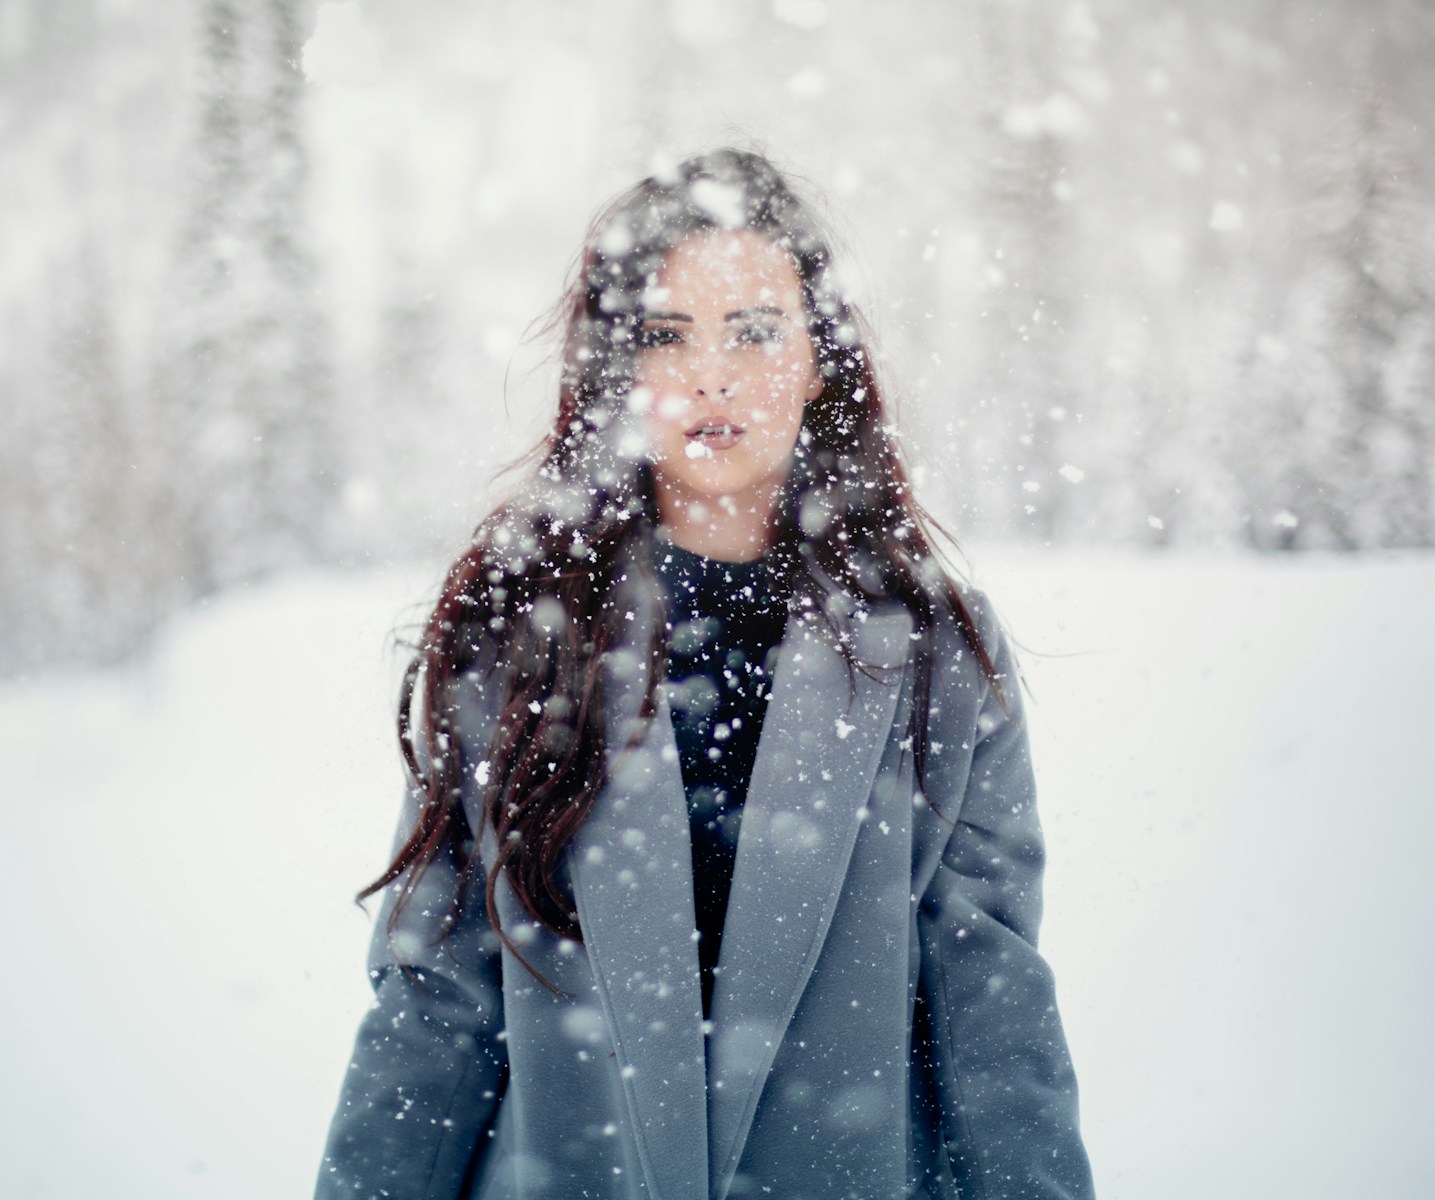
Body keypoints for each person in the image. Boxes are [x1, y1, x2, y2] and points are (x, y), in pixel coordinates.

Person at [315, 148, 1095, 1200]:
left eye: (754, 330)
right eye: (663, 335)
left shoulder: (930, 648)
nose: (709, 375)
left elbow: (990, 998)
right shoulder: (519, 636)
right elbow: (434, 1005)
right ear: (612, 368)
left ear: (820, 357)